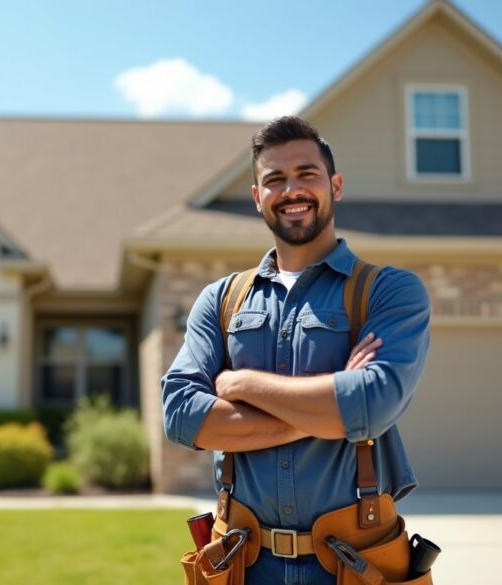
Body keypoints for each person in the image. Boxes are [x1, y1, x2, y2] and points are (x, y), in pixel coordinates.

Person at [162, 116, 430, 584]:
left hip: (355, 563)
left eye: (307, 173)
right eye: (275, 179)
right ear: (257, 197)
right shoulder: (222, 300)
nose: (292, 190)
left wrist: (240, 384)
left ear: (335, 185)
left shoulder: (388, 291)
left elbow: (373, 403)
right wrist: (331, 409)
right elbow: (181, 415)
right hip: (242, 563)